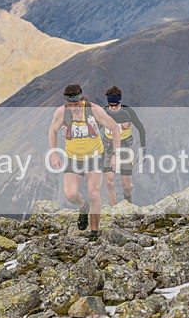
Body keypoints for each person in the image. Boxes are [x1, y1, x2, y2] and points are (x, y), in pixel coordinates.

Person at [48, 84, 122, 241]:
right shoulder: (61, 113)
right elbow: (52, 131)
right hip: (73, 158)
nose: (74, 108)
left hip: (95, 157)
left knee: (94, 194)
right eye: (70, 105)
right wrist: (54, 153)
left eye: (76, 104)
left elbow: (115, 129)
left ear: (82, 99)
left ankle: (94, 232)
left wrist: (116, 154)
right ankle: (83, 207)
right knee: (70, 194)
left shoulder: (94, 110)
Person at [101, 85, 146, 205]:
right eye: (111, 105)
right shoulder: (104, 112)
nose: (113, 108)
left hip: (125, 148)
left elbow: (141, 129)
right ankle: (114, 210)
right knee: (109, 182)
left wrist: (143, 150)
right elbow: (95, 130)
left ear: (120, 102)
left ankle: (127, 196)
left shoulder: (128, 112)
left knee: (125, 185)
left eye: (116, 105)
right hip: (109, 148)